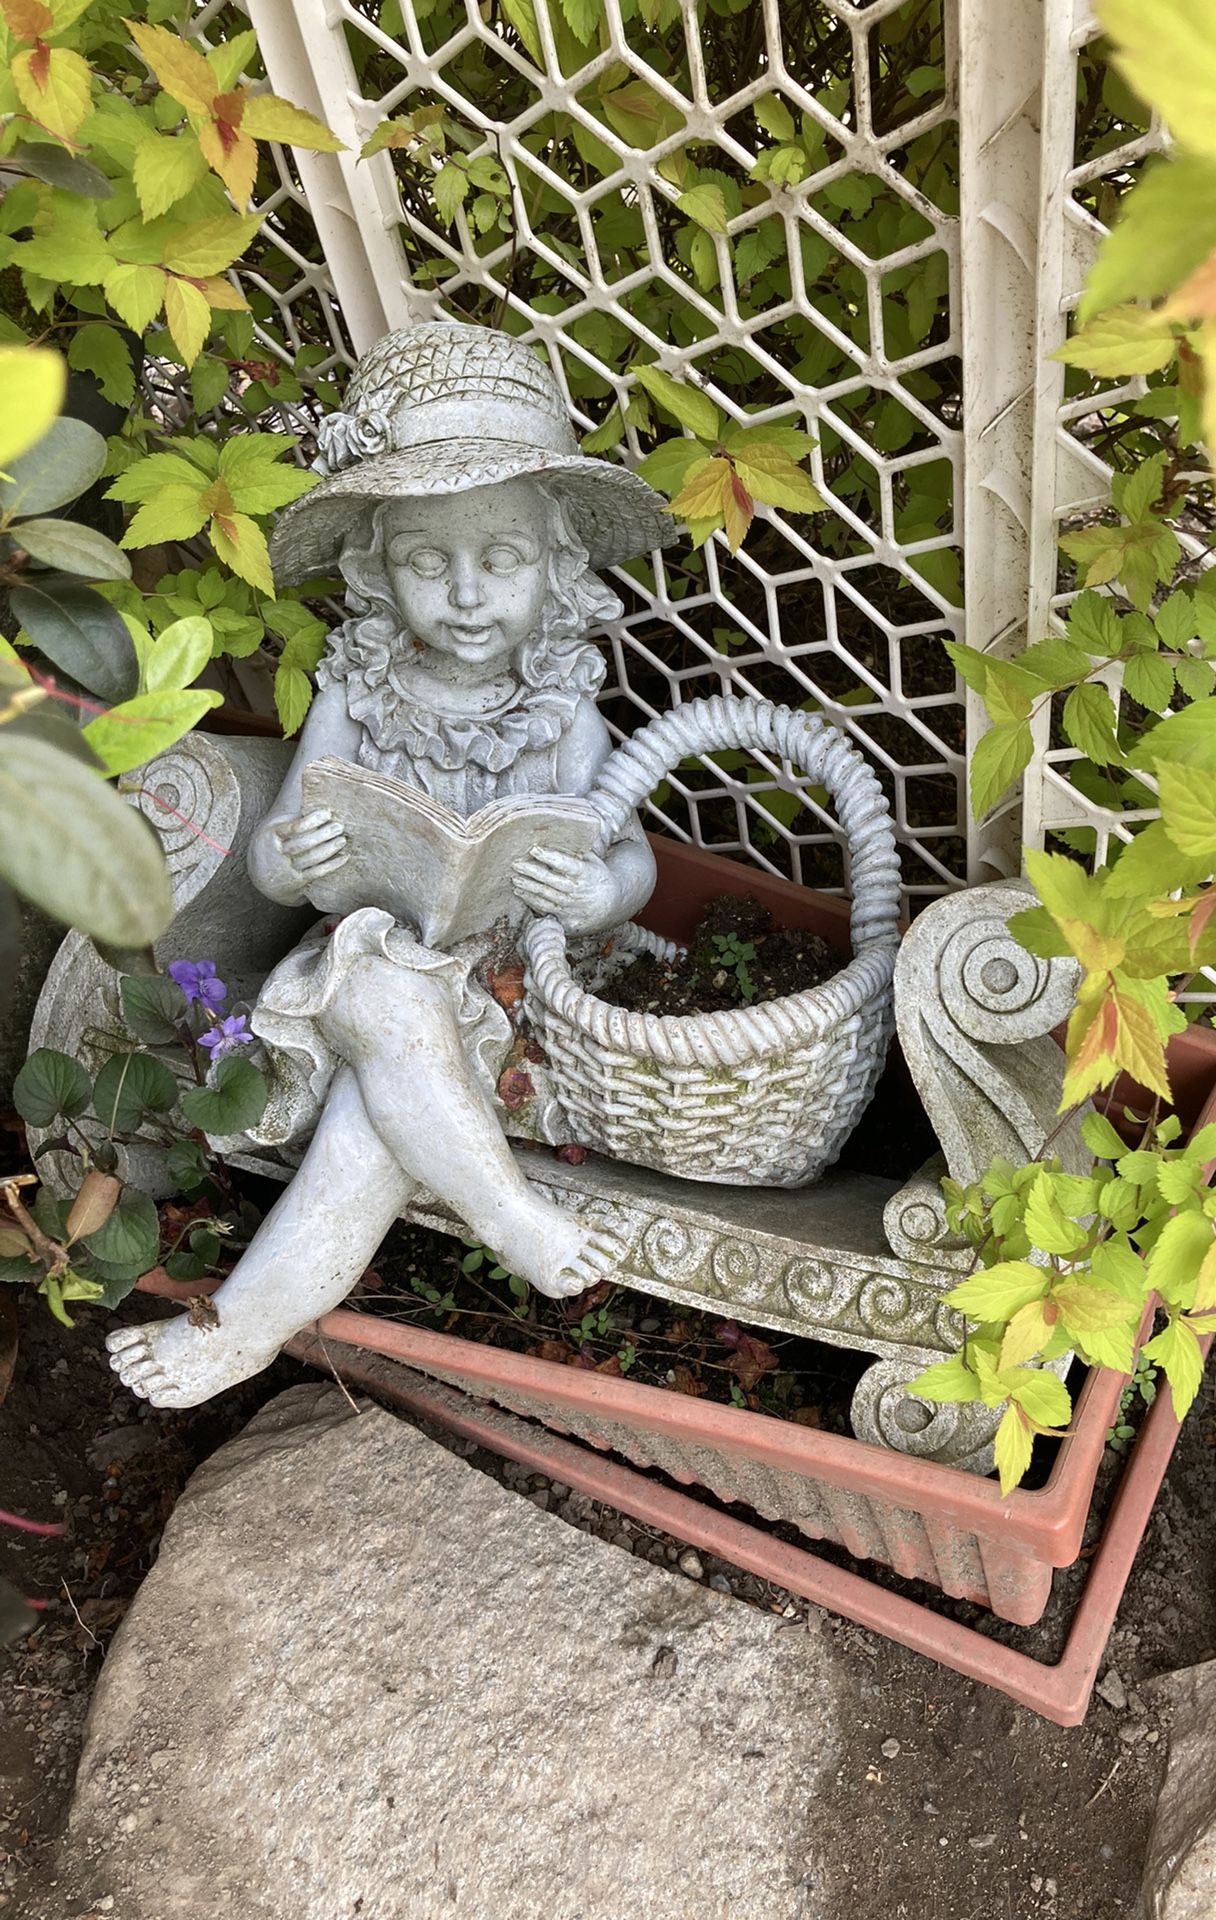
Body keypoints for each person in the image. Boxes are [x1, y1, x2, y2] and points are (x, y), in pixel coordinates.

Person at [108, 322, 676, 1408]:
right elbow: (281, 862)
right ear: (378, 575)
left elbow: (630, 861)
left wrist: (601, 892)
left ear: (555, 570)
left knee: (379, 1106)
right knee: (379, 982)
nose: (466, 594)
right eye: (428, 561)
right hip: (366, 965)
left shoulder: (565, 712)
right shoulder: (355, 691)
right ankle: (507, 1215)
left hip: (506, 986)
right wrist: (294, 854)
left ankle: (246, 1324)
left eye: (500, 559)